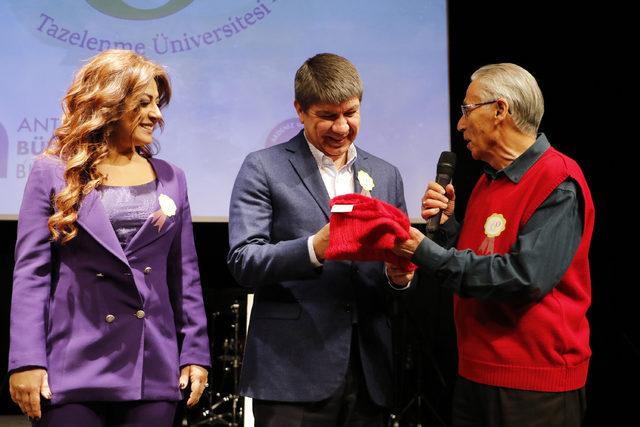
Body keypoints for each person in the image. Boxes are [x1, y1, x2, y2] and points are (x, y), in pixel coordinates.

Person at [8, 49, 210, 426]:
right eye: (144, 103)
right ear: (109, 104)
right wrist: (27, 361)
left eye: (157, 103)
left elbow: (186, 276)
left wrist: (195, 353)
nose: (157, 114)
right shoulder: (52, 173)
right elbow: (31, 276)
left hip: (151, 366)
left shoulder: (171, 177)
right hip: (71, 365)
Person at [394, 63, 594, 426]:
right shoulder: (490, 180)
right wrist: (452, 228)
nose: (459, 125)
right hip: (476, 375)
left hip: (533, 388)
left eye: (467, 111)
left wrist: (427, 252)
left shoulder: (558, 180)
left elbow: (524, 276)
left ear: (500, 110)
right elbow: (485, 254)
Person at [227, 52, 414, 426]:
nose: (342, 128)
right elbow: (244, 262)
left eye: (351, 113)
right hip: (290, 374)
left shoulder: (386, 174)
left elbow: (395, 271)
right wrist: (315, 247)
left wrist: (399, 277)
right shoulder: (263, 167)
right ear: (300, 110)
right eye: (327, 116)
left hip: (368, 373)